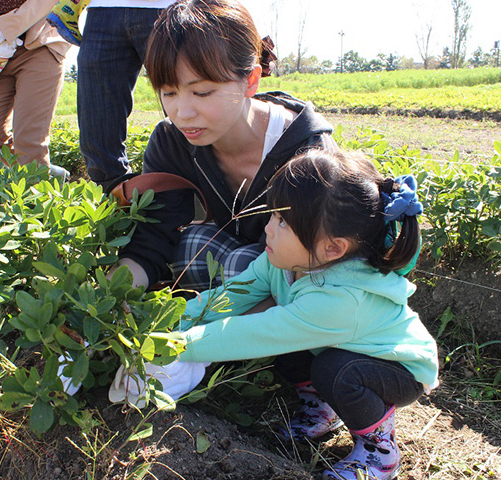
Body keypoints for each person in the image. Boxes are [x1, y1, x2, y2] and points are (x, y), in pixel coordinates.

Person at [115, 149, 439, 480]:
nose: (269, 228)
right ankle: (323, 410)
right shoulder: (282, 262)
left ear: (333, 248)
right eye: (273, 215)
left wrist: (180, 345)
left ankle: (379, 451)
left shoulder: (341, 300)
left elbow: (258, 333)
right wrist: (168, 320)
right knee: (296, 354)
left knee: (335, 371)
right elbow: (230, 297)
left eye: (283, 222)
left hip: (397, 368)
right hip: (344, 347)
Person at [114, 0, 335, 290]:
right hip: (243, 266)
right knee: (191, 246)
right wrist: (111, 297)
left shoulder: (308, 152)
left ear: (251, 81)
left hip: (304, 285)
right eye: (168, 92)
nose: (182, 113)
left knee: (241, 263)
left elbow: (321, 262)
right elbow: (153, 240)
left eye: (202, 92)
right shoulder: (172, 140)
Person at [0, 0, 72, 179]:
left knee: (29, 141)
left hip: (39, 45)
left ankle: (36, 197)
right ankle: (42, 170)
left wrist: (4, 26)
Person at [76, 0, 177, 188]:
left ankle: (202, 194)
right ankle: (114, 200)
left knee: (189, 107)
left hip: (168, 7)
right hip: (103, 9)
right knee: (96, 126)